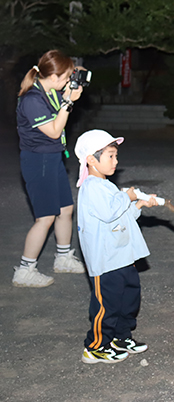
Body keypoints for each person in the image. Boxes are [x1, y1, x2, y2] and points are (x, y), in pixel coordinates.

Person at [74, 129, 159, 364]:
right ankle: (96, 346)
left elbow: (122, 215)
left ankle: (120, 337)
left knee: (128, 298)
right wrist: (128, 196)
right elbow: (110, 211)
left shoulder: (107, 185)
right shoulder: (92, 187)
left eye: (115, 155)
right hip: (105, 260)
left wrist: (139, 204)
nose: (116, 161)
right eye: (110, 156)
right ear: (92, 159)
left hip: (122, 255)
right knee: (107, 304)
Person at [13, 50, 86, 287]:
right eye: (65, 77)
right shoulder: (32, 100)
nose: (67, 81)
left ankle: (63, 258)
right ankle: (25, 270)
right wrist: (68, 102)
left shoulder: (50, 91)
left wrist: (72, 87)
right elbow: (54, 131)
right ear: (53, 77)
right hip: (38, 161)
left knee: (65, 209)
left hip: (52, 158)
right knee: (44, 217)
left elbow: (61, 104)